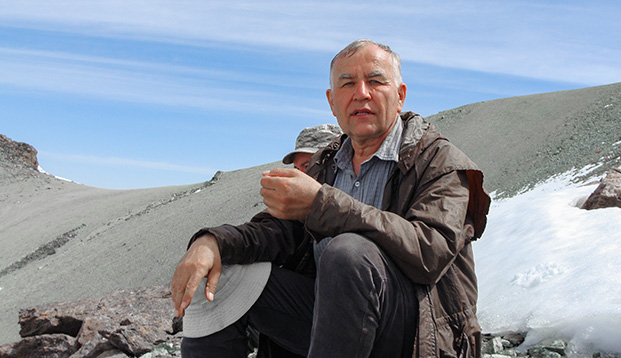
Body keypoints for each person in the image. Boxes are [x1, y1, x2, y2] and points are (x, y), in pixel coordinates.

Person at [171, 39, 491, 358]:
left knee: (348, 253)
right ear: (332, 102)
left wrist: (321, 204)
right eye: (348, 83)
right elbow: (279, 231)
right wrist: (212, 243)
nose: (361, 93)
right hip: (332, 320)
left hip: (416, 332)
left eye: (376, 81)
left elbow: (429, 253)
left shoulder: (440, 162)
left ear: (400, 96)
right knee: (219, 276)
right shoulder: (326, 163)